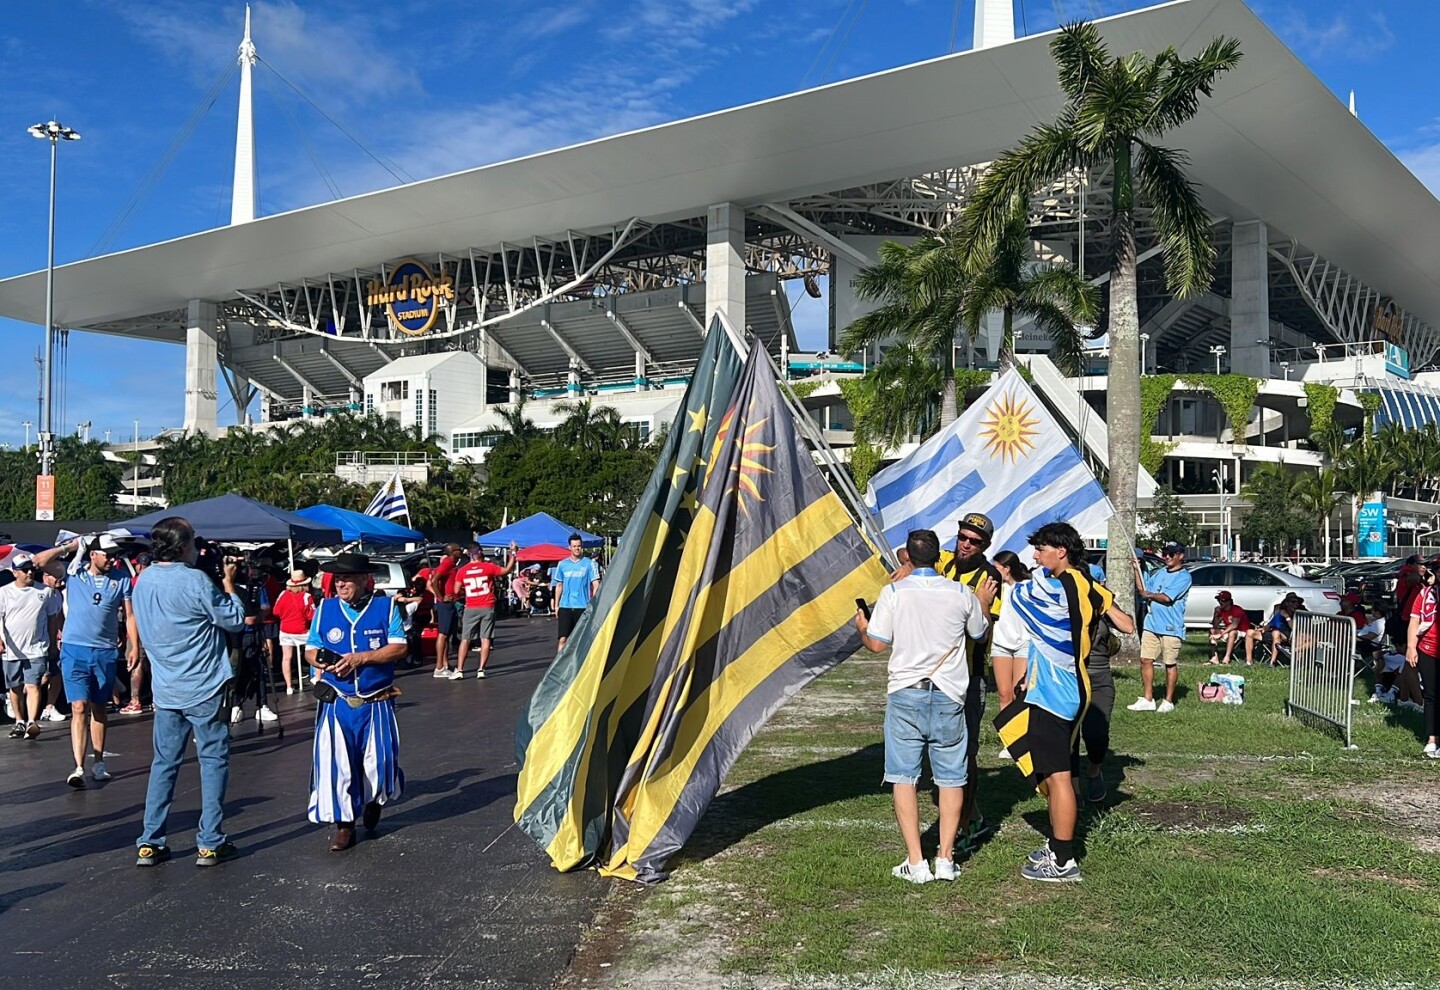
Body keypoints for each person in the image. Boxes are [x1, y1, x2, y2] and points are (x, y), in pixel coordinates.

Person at [855, 528, 996, 884]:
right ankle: (945, 858)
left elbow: (876, 644)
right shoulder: (960, 592)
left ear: (909, 558)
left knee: (904, 776)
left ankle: (916, 861)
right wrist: (981, 603)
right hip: (949, 692)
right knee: (951, 777)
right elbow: (980, 633)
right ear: (939, 557)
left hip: (906, 691)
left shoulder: (894, 592)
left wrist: (862, 626)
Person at [993, 522, 1132, 883]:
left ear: (1061, 551)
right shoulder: (1088, 586)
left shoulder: (1051, 590)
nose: (1035, 557)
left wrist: (996, 586)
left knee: (1058, 778)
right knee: (1062, 774)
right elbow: (1127, 625)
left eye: (1041, 549)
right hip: (1073, 686)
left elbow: (1020, 597)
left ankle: (1064, 860)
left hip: (1058, 692)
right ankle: (1057, 847)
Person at [129, 517, 248, 867]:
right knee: (212, 762)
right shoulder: (196, 581)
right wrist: (228, 584)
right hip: (204, 685)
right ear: (183, 546)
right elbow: (234, 621)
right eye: (194, 541)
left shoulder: (143, 580)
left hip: (166, 687)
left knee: (164, 764)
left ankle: (150, 840)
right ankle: (209, 841)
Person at [305, 552, 407, 851]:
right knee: (337, 765)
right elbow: (312, 647)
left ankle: (375, 799)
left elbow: (399, 647)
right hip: (337, 701)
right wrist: (321, 661)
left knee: (381, 762)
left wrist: (363, 657)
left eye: (347, 579)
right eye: (337, 579)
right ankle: (344, 825)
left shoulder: (386, 607)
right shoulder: (325, 608)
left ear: (364, 580)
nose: (341, 584)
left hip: (376, 700)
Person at [31, 534, 139, 787]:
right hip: (74, 649)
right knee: (79, 706)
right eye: (107, 554)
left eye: (114, 555)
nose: (112, 559)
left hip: (104, 650)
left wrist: (133, 645)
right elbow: (39, 561)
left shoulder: (121, 579)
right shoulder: (74, 573)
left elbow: (130, 615)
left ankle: (99, 762)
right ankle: (78, 766)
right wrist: (70, 546)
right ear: (93, 554)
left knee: (99, 707)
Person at [1073, 569, 1135, 804]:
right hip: (1069, 678)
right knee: (1068, 738)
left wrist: (1103, 600)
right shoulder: (1058, 600)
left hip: (1098, 679)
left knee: (1096, 734)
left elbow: (1128, 627)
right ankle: (1074, 789)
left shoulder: (1100, 600)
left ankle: (1094, 769)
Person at [0, 555, 63, 740]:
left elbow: (52, 619)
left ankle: (31, 722)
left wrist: (52, 643)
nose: (29, 572)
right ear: (15, 572)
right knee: (15, 687)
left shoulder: (45, 591)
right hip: (12, 649)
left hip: (37, 647)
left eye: (31, 569)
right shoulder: (3, 592)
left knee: (33, 684)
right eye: (24, 569)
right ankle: (19, 721)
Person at [1128, 541, 1191, 713]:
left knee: (1169, 663)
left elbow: (1167, 598)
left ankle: (1168, 701)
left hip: (1170, 627)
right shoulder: (1160, 572)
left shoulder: (1184, 577)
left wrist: (1149, 594)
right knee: (1146, 660)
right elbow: (1143, 589)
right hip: (1151, 624)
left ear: (1180, 556)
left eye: (1171, 554)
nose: (1167, 557)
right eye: (1165, 553)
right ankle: (1148, 699)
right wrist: (1136, 568)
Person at [453, 542, 519, 678]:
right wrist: (513, 553)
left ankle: (459, 670)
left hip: (471, 606)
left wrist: (467, 591)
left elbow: (456, 590)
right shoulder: (487, 567)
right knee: (485, 638)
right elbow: (506, 570)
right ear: (480, 553)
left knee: (465, 639)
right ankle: (481, 669)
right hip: (487, 606)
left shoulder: (462, 571)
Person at [990, 547, 1032, 732]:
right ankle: (1008, 736)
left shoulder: (1026, 587)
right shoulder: (994, 588)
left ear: (1007, 568)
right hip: (1000, 644)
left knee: (1019, 692)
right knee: (1004, 693)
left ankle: (1021, 734)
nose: (993, 571)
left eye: (996, 567)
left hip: (1023, 643)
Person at [1404, 564, 1440, 759]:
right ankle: (1432, 739)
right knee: (1431, 695)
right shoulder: (1425, 594)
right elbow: (1414, 621)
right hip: (1428, 649)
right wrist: (1411, 646)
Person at [553, 535, 602, 652]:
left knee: (581, 640)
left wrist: (593, 603)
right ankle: (560, 666)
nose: (577, 549)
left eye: (579, 546)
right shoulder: (562, 564)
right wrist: (556, 605)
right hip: (566, 606)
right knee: (562, 639)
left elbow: (596, 584)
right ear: (569, 547)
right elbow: (559, 585)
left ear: (582, 547)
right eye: (574, 546)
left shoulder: (590, 564)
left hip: (583, 607)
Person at [272, 570, 316, 693]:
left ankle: (289, 686)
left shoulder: (282, 594)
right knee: (315, 651)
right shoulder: (307, 597)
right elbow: (312, 616)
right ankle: (317, 678)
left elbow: (276, 611)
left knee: (286, 658)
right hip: (301, 630)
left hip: (285, 630)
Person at [427, 543, 464, 678]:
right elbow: (434, 580)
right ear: (454, 552)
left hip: (451, 602)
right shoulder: (447, 563)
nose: (461, 551)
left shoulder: (451, 564)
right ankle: (439, 667)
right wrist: (441, 597)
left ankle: (445, 665)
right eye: (459, 550)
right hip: (445, 603)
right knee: (443, 634)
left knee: (447, 634)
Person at [1256, 592, 1304, 666]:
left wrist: (1287, 617)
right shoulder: (1279, 613)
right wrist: (1263, 628)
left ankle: (1272, 662)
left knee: (1276, 633)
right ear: (1287, 603)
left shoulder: (1300, 614)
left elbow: (1294, 628)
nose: (1296, 604)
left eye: (1297, 602)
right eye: (1293, 602)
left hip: (1290, 636)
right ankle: (1249, 662)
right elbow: (1270, 624)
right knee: (1250, 632)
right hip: (1273, 634)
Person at [1207, 591, 1253, 666]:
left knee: (1232, 632)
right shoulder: (1222, 611)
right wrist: (1216, 614)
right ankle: (1214, 657)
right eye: (1219, 600)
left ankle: (1227, 657)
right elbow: (1215, 626)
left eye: (1222, 601)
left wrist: (1221, 634)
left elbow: (1234, 625)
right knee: (1212, 631)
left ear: (1229, 601)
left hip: (1243, 632)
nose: (1220, 602)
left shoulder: (1236, 609)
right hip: (1229, 631)